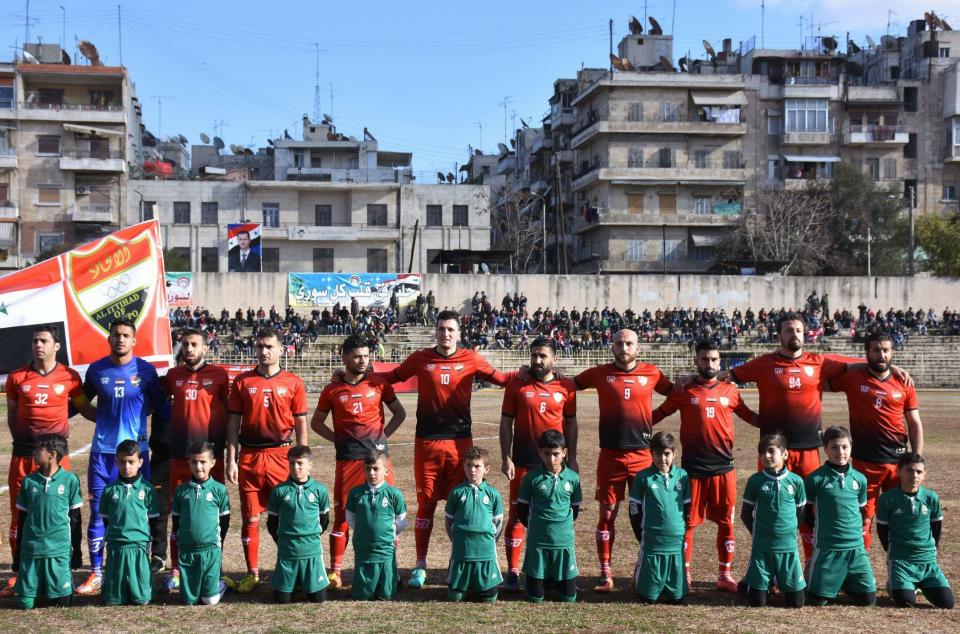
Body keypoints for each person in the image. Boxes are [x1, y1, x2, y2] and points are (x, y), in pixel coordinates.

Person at [714, 312, 892, 561]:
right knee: (771, 509)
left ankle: (811, 563)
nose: (794, 334)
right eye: (788, 330)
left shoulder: (818, 362)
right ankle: (772, 565)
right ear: (779, 336)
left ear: (805, 333)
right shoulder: (763, 363)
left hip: (809, 449)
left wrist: (894, 369)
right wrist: (692, 378)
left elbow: (857, 364)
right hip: (774, 452)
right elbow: (724, 377)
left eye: (798, 330)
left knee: (810, 510)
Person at [365, 309, 511, 587]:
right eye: (442, 329)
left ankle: (459, 560)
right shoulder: (421, 358)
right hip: (427, 443)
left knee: (463, 505)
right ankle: (420, 565)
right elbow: (392, 377)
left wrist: (531, 373)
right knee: (426, 505)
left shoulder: (470, 358)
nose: (446, 334)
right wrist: (356, 375)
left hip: (460, 444)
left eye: (451, 330)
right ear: (436, 331)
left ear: (459, 333)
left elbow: (502, 380)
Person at [652, 340, 757, 592]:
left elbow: (749, 416)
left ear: (719, 362)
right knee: (688, 524)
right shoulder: (683, 390)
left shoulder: (730, 391)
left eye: (713, 359)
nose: (709, 363)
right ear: (696, 361)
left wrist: (777, 424)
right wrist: (636, 426)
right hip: (693, 470)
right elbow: (660, 412)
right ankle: (685, 573)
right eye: (704, 359)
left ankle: (725, 574)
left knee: (727, 523)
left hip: (724, 469)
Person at [573, 328, 672, 592]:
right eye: (619, 343)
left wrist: (655, 417)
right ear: (612, 346)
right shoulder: (598, 373)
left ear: (638, 348)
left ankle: (650, 568)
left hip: (642, 455)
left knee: (651, 515)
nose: (624, 347)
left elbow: (675, 394)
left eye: (629, 343)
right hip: (610, 456)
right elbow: (567, 384)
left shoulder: (652, 373)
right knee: (607, 515)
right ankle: (605, 572)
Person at [78, 318, 170, 595]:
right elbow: (81, 401)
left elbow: (161, 405)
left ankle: (138, 567)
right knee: (97, 513)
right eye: (116, 334)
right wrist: (101, 418)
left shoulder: (146, 371)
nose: (120, 339)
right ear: (109, 339)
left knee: (137, 514)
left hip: (136, 455)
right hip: (103, 454)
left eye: (125, 335)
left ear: (134, 340)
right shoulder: (96, 370)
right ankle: (96, 573)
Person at [2, 325, 92, 597]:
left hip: (58, 462)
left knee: (58, 516)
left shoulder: (70, 377)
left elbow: (85, 408)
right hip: (23, 456)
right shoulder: (17, 378)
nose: (38, 344)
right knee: (20, 516)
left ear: (56, 346)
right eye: (35, 340)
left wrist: (114, 415)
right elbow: (12, 415)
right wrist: (24, 444)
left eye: (44, 340)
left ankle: (60, 569)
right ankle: (19, 574)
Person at [312, 334, 406, 590]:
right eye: (357, 356)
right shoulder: (332, 389)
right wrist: (337, 439)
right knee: (343, 514)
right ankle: (336, 572)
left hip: (378, 458)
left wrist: (383, 438)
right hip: (348, 460)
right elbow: (316, 423)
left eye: (366, 355)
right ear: (345, 358)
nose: (363, 360)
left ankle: (390, 566)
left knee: (385, 516)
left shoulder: (379, 383)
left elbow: (400, 413)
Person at [225, 327, 309, 593]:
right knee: (250, 518)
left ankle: (289, 568)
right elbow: (233, 424)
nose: (263, 351)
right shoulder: (242, 382)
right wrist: (231, 458)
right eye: (260, 346)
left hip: (282, 455)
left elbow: (300, 425)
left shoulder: (293, 382)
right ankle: (252, 573)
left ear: (281, 349)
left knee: (287, 518)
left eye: (269, 346)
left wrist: (303, 458)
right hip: (249, 456)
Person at [827, 331, 922, 550]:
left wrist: (915, 458)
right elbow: (821, 373)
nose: (882, 355)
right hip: (864, 463)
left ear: (893, 352)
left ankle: (899, 572)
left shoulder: (903, 382)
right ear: (867, 353)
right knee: (863, 521)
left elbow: (915, 423)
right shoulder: (853, 378)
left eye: (886, 350)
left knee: (899, 521)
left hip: (896, 463)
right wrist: (857, 365)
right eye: (876, 350)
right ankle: (860, 573)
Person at [499, 337, 577, 591]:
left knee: (554, 516)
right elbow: (505, 422)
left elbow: (572, 423)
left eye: (543, 355)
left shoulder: (566, 387)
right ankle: (512, 570)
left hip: (554, 465)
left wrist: (572, 457)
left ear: (554, 358)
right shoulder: (518, 384)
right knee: (516, 518)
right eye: (534, 355)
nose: (537, 360)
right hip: (522, 461)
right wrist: (506, 456)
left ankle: (551, 571)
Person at [160, 328, 231, 592]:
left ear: (205, 349)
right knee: (179, 515)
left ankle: (216, 566)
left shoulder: (219, 376)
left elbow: (232, 412)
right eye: (185, 344)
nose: (189, 349)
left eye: (194, 344)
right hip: (180, 455)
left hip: (212, 459)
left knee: (212, 514)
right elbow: (157, 398)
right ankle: (177, 569)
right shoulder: (172, 376)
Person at [804, 426, 876, 606]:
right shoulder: (815, 479)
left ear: (851, 448)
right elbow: (805, 512)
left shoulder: (859, 479)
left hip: (855, 548)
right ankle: (822, 579)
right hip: (828, 547)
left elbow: (860, 510)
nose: (840, 452)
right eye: (834, 447)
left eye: (845, 447)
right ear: (825, 449)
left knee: (868, 600)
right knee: (817, 601)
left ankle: (842, 580)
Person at [12, 434, 83, 609]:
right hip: (32, 549)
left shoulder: (70, 480)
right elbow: (21, 520)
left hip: (58, 548)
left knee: (63, 603)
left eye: (38, 450)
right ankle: (34, 589)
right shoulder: (29, 482)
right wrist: (17, 555)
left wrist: (77, 552)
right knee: (24, 604)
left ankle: (54, 589)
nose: (34, 453)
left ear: (52, 454)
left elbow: (75, 519)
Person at [876, 453, 954, 609]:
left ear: (924, 474)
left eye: (919, 471)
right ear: (898, 471)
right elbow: (882, 530)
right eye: (909, 470)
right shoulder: (887, 498)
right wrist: (891, 551)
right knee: (906, 602)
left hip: (927, 560)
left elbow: (936, 527)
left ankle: (921, 584)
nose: (914, 475)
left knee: (947, 603)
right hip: (900, 559)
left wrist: (931, 550)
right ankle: (897, 583)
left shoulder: (931, 497)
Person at [740, 433, 806, 608]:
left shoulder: (796, 481)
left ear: (785, 454)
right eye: (762, 452)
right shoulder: (755, 481)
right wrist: (757, 532)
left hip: (788, 547)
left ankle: (779, 580)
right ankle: (755, 582)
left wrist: (788, 530)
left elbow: (801, 512)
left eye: (770, 451)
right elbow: (746, 514)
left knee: (797, 603)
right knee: (756, 603)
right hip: (762, 548)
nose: (766, 456)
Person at [516, 430, 582, 603]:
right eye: (546, 454)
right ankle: (540, 582)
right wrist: (536, 527)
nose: (551, 459)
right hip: (538, 541)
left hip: (563, 541)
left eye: (556, 454)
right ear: (540, 452)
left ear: (564, 453)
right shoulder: (531, 478)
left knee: (569, 598)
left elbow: (574, 509)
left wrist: (561, 527)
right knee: (535, 598)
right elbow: (522, 510)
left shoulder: (573, 479)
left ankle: (555, 581)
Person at [628, 431, 690, 605]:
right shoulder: (643, 477)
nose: (662, 458)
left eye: (667, 454)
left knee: (677, 599)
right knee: (648, 599)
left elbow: (687, 507)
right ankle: (643, 582)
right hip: (653, 541)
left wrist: (682, 530)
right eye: (657, 453)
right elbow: (634, 509)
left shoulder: (682, 476)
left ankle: (672, 586)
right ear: (651, 453)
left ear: (674, 454)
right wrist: (641, 535)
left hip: (675, 541)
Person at [99, 440, 160, 606]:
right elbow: (106, 520)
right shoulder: (109, 490)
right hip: (116, 544)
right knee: (113, 600)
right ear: (116, 462)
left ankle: (142, 590)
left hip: (139, 545)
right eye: (122, 462)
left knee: (142, 599)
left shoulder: (147, 489)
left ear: (140, 462)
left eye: (131, 462)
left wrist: (152, 544)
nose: (127, 467)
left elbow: (154, 521)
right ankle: (114, 592)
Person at [266, 445, 330, 604]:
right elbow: (272, 522)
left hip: (311, 549)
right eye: (292, 463)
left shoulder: (319, 490)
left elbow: (324, 519)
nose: (296, 467)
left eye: (300, 463)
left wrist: (311, 535)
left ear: (310, 465)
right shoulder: (279, 490)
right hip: (288, 550)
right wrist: (282, 540)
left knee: (318, 599)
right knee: (282, 600)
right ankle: (294, 583)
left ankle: (305, 581)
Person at [171, 442, 230, 606]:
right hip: (188, 551)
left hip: (211, 550)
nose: (198, 466)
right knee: (188, 601)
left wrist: (218, 543)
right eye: (194, 462)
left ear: (212, 463)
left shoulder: (219, 489)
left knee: (209, 601)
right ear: (188, 463)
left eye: (203, 462)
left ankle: (222, 584)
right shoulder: (181, 491)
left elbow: (224, 521)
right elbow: (176, 521)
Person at [444, 446, 504, 602]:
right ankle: (463, 583)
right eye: (469, 465)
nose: (472, 470)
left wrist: (489, 539)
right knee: (455, 597)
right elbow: (449, 520)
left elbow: (498, 523)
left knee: (488, 599)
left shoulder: (493, 494)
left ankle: (481, 583)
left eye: (477, 466)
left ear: (486, 469)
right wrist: (457, 538)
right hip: (462, 550)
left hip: (485, 551)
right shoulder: (456, 492)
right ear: (464, 466)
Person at [346, 450, 408, 601]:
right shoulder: (355, 493)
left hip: (385, 547)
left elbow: (402, 520)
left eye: (376, 469)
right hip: (363, 547)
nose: (371, 473)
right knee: (362, 596)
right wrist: (363, 531)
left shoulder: (394, 494)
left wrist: (390, 533)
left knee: (386, 595)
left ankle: (392, 581)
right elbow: (350, 517)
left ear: (386, 471)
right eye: (368, 468)